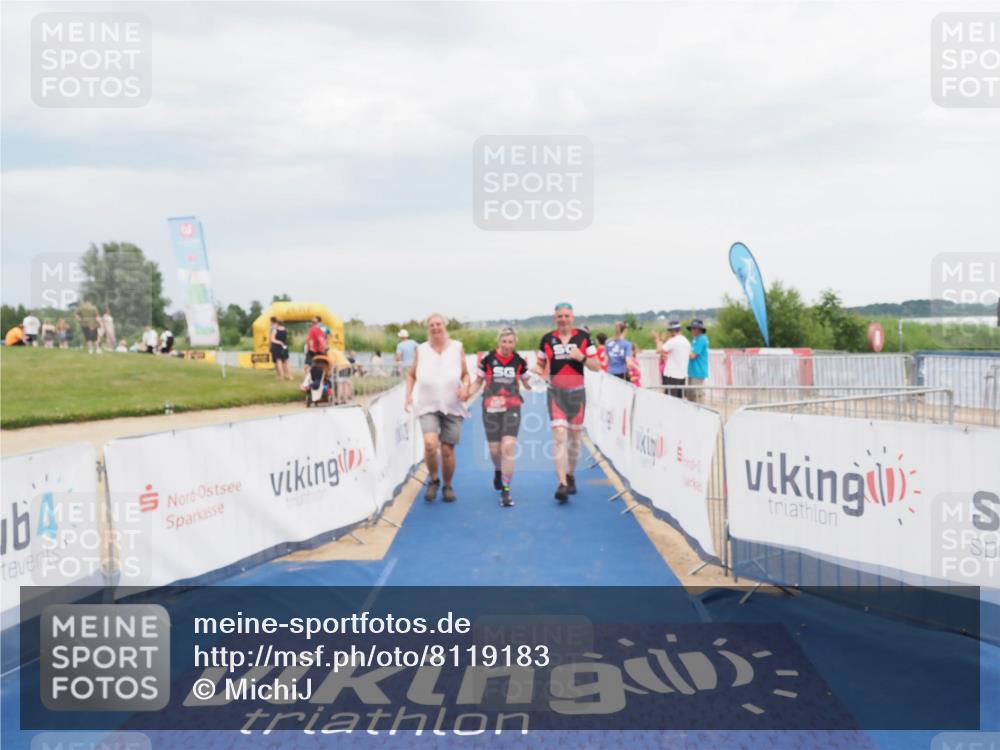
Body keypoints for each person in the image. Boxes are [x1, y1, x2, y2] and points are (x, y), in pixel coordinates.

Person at [534, 302, 600, 503]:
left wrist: (581, 358)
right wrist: (538, 372)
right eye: (559, 316)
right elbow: (540, 364)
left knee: (574, 440)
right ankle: (561, 483)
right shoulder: (547, 339)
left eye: (566, 316)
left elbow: (596, 366)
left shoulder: (583, 338)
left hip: (577, 394)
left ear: (572, 317)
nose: (563, 319)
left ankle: (571, 474)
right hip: (556, 394)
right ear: (555, 318)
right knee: (559, 437)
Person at [404, 314, 470, 503]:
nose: (435, 328)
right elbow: (411, 375)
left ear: (445, 326)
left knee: (447, 450)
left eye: (438, 324)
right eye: (431, 325)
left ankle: (447, 485)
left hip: (453, 405)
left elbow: (465, 374)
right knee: (430, 444)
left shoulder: (457, 347)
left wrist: (465, 387)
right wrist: (408, 395)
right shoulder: (421, 349)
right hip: (428, 405)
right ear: (428, 328)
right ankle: (434, 480)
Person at [467, 327, 532, 507]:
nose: (507, 345)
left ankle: (506, 490)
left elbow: (527, 383)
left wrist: (537, 382)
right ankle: (498, 469)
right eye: (504, 341)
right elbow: (478, 382)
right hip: (490, 407)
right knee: (495, 450)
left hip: (512, 406)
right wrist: (466, 394)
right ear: (498, 342)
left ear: (515, 343)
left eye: (510, 342)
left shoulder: (519, 361)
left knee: (508, 446)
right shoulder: (488, 360)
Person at [657, 320, 691, 398]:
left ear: (672, 331)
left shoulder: (673, 341)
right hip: (682, 375)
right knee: (679, 399)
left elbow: (659, 349)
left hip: (672, 375)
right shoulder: (686, 341)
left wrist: (659, 339)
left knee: (670, 400)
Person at [686, 319, 710, 402]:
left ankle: (701, 410)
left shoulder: (702, 339)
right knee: (690, 396)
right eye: (692, 328)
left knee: (697, 395)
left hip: (698, 371)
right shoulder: (695, 339)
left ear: (699, 329)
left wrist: (682, 352)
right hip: (692, 371)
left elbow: (693, 355)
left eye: (694, 328)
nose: (692, 330)